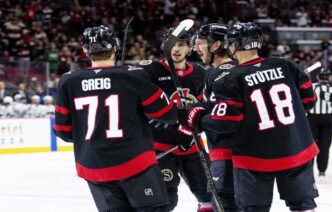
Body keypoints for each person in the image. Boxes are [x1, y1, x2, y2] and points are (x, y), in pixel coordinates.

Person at [178, 22, 320, 212]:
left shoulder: (229, 78)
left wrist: (196, 119)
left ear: (234, 45)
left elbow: (225, 123)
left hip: (255, 157)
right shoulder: (286, 65)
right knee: (303, 206)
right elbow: (309, 100)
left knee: (253, 208)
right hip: (297, 149)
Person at [53, 25, 178, 212]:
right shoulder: (134, 75)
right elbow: (168, 114)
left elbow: (64, 132)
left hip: (93, 166)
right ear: (115, 47)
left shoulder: (68, 80)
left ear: (85, 50)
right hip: (135, 163)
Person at [139, 27, 212, 212]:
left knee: (209, 197)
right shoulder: (149, 71)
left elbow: (205, 106)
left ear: (190, 48)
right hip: (161, 148)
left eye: (182, 45)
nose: (176, 49)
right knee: (166, 201)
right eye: (172, 44)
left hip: (192, 146)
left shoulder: (200, 73)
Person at [192, 23, 239, 211]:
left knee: (224, 202)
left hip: (227, 155)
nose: (195, 48)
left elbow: (224, 120)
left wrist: (197, 119)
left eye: (200, 43)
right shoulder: (234, 70)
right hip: (235, 155)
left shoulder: (219, 74)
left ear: (216, 45)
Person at [307, 68, 332, 177]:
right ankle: (322, 171)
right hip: (328, 120)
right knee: (324, 147)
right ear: (330, 78)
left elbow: (303, 102)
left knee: (310, 146)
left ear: (318, 77)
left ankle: (309, 171)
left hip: (312, 119)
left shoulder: (312, 87)